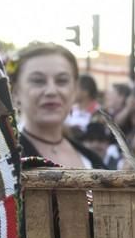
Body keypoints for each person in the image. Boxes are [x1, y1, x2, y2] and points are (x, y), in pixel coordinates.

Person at [10, 42, 105, 170]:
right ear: (15, 91)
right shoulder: (2, 163)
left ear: (75, 89)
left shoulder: (91, 159)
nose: (51, 91)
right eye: (38, 81)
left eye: (62, 81)